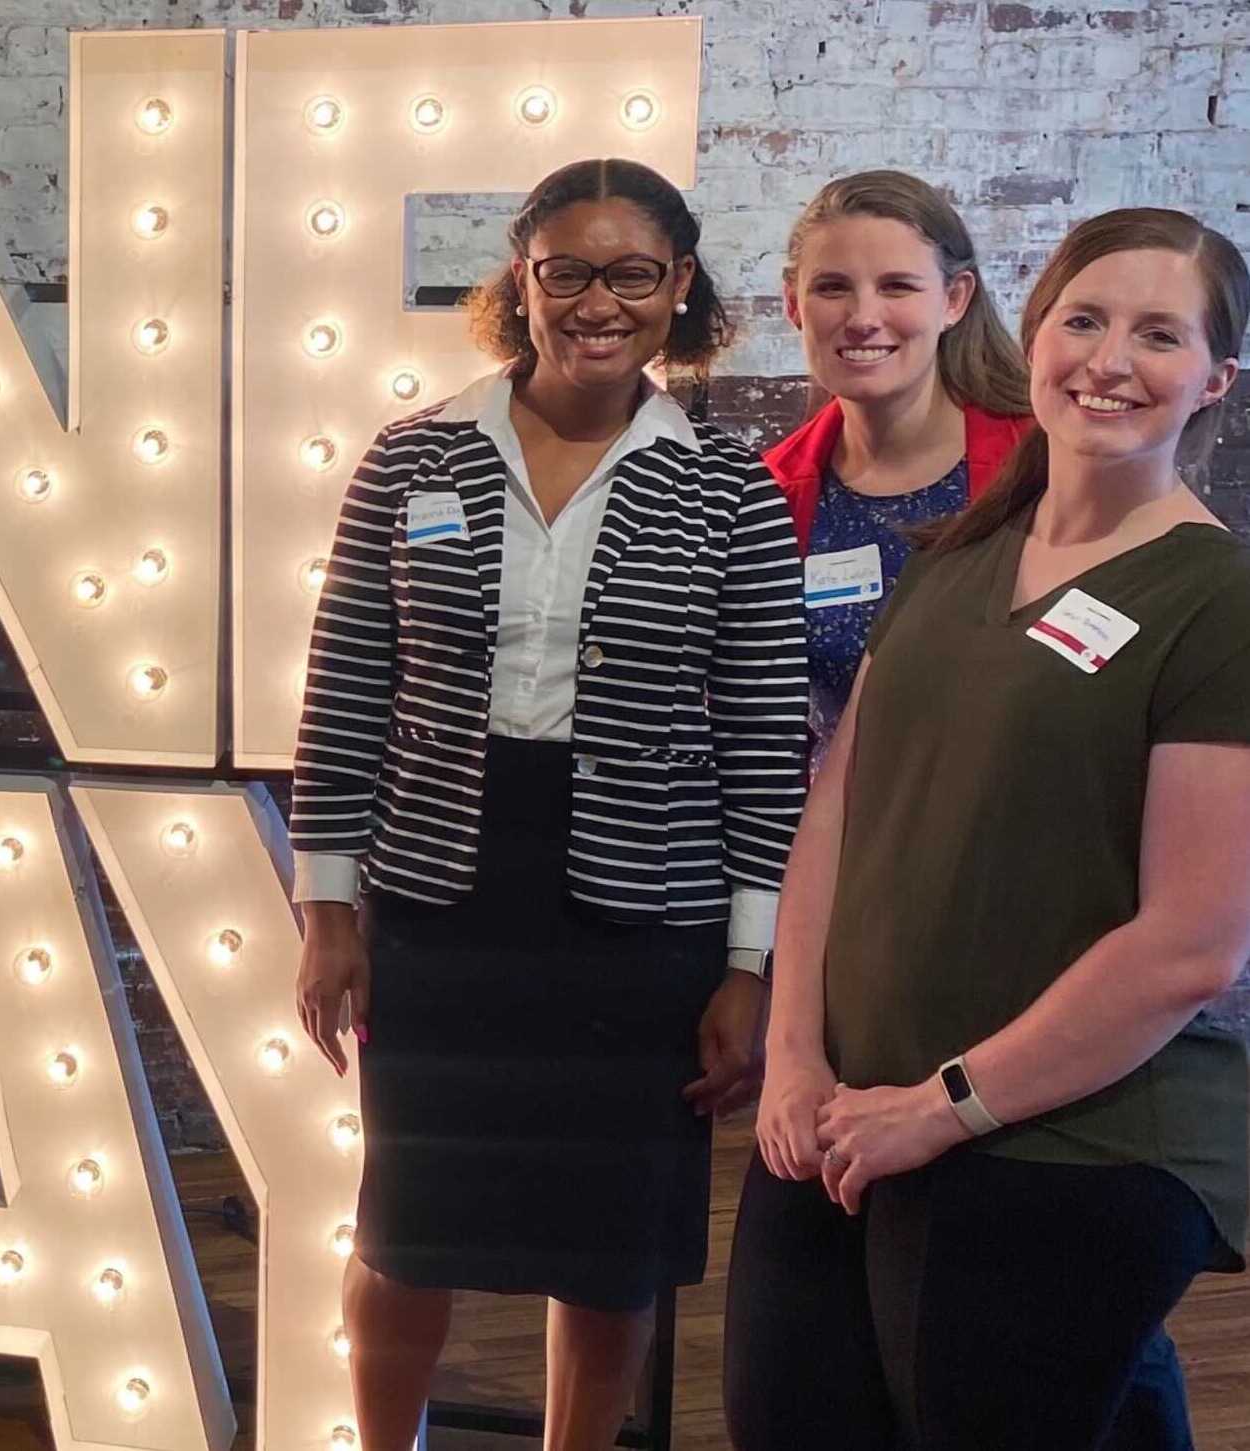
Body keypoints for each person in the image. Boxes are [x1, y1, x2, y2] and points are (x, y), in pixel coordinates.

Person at [288, 158, 806, 1451]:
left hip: (644, 922)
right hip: (441, 900)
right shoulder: (414, 459)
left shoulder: (730, 492)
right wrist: (328, 906)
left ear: (679, 288)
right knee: (405, 1230)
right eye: (565, 268)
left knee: (609, 1248)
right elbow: (351, 681)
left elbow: (757, 740)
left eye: (632, 272)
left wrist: (754, 960)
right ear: (519, 280)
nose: (597, 300)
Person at [725, 208, 1250, 1450]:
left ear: (1213, 379)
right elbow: (835, 819)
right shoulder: (956, 557)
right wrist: (794, 1054)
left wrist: (946, 1103)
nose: (1110, 358)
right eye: (1084, 318)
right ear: (1034, 334)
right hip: (850, 1106)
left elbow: (1189, 944)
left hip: (1068, 1132)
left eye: (1158, 334)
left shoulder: (1214, 601)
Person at [759, 169, 1030, 774]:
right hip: (836, 843)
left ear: (954, 300)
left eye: (897, 286)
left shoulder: (1042, 464)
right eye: (832, 287)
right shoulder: (770, 492)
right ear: (792, 304)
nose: (862, 316)